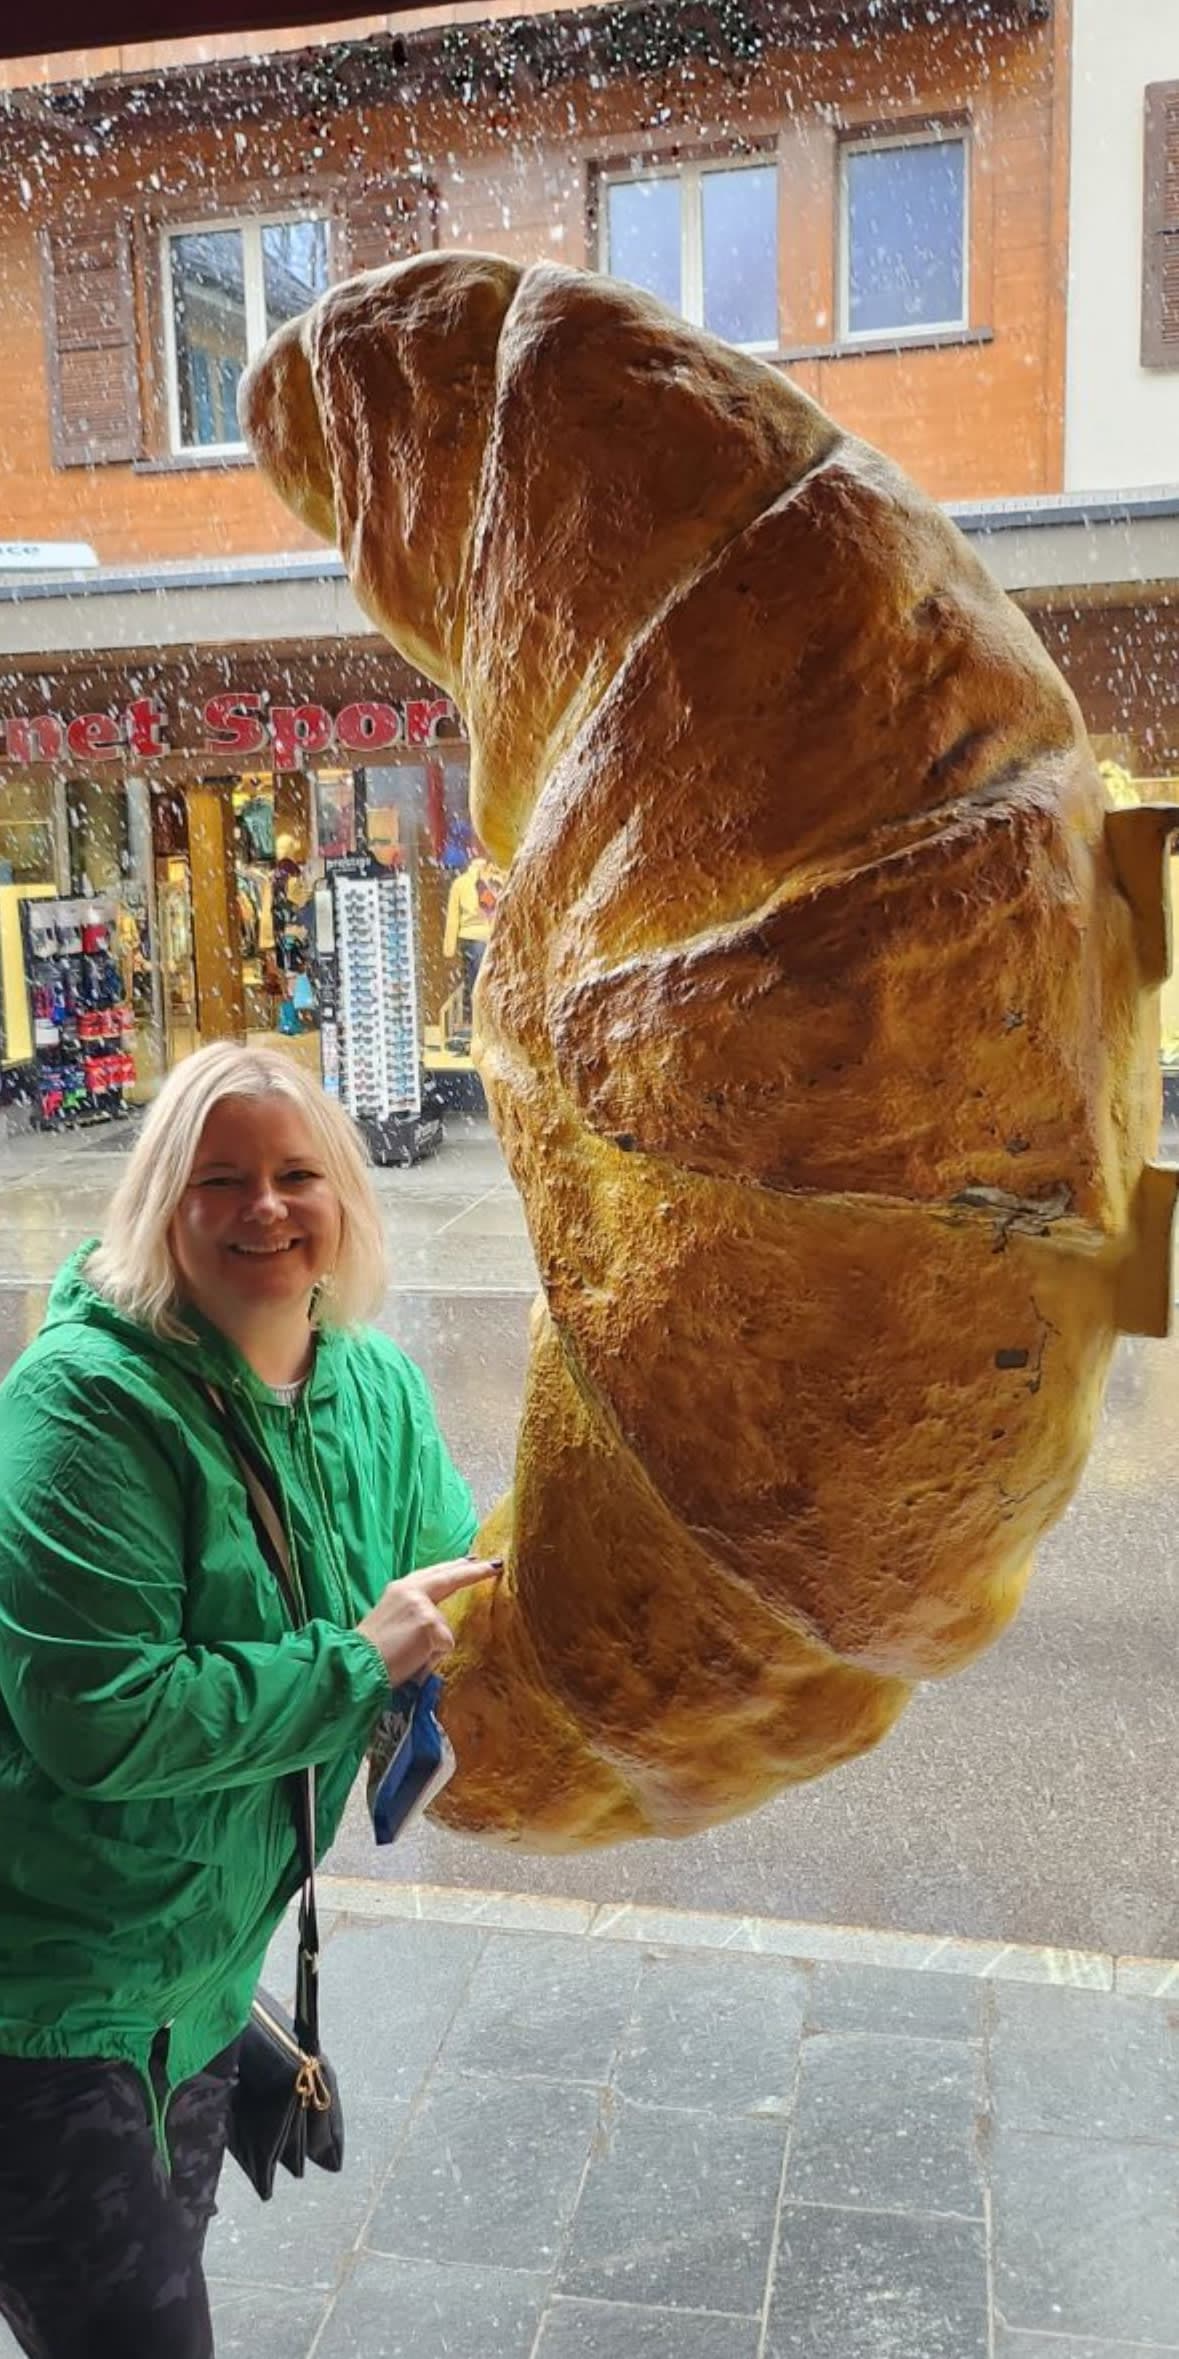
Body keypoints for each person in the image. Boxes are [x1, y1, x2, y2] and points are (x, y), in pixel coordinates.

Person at [0, 1042, 498, 2359]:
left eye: (295, 1175)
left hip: (207, 1977)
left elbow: (452, 1599)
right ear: (166, 1205)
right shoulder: (83, 1406)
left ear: (345, 1195)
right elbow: (99, 1713)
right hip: (40, 1991)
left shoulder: (370, 1383)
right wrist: (357, 1664)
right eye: (221, 1180)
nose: (265, 1209)